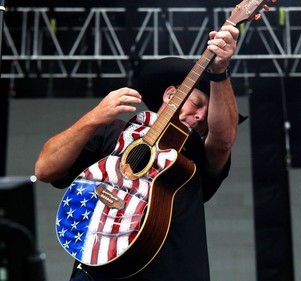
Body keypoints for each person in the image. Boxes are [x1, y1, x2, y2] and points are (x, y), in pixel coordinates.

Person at [35, 24, 242, 281]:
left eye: (208, 114)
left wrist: (219, 72)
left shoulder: (192, 154)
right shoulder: (111, 133)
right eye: (198, 103)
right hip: (94, 274)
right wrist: (93, 118)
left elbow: (222, 142)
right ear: (171, 95)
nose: (202, 117)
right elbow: (44, 169)